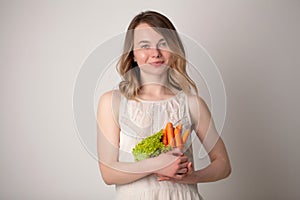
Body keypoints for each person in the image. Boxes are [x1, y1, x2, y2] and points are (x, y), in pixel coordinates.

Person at [97, 10, 231, 200]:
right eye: (145, 46)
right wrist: (156, 165)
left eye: (163, 43)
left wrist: (192, 177)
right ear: (133, 54)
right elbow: (108, 173)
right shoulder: (112, 102)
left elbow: (223, 164)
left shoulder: (192, 104)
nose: (155, 53)